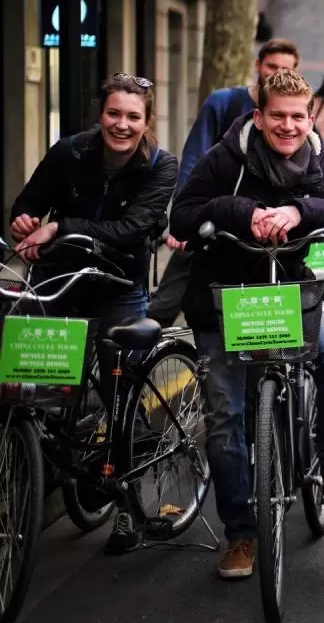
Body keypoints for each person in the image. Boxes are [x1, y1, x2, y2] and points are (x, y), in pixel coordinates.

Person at [170, 68, 324, 580]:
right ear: (258, 117)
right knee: (225, 420)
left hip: (292, 295)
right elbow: (181, 217)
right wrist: (245, 213)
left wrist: (300, 212)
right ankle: (240, 534)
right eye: (277, 116)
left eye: (297, 117)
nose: (288, 126)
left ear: (311, 117)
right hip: (223, 301)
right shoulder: (226, 157)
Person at [10, 73, 178, 553]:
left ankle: (130, 510)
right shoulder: (70, 151)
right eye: (113, 114)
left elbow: (130, 229)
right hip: (59, 282)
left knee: (120, 399)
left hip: (118, 287)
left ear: (147, 122)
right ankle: (32, 473)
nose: (121, 125)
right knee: (29, 387)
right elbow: (29, 201)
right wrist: (23, 218)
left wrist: (60, 226)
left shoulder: (161, 166)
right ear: (99, 113)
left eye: (132, 117)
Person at [147, 38, 301, 327]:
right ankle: (135, 363)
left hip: (260, 233)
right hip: (209, 223)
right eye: (271, 66)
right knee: (165, 308)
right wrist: (183, 216)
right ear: (257, 65)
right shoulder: (224, 102)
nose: (275, 74)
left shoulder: (294, 119)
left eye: (285, 69)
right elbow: (193, 158)